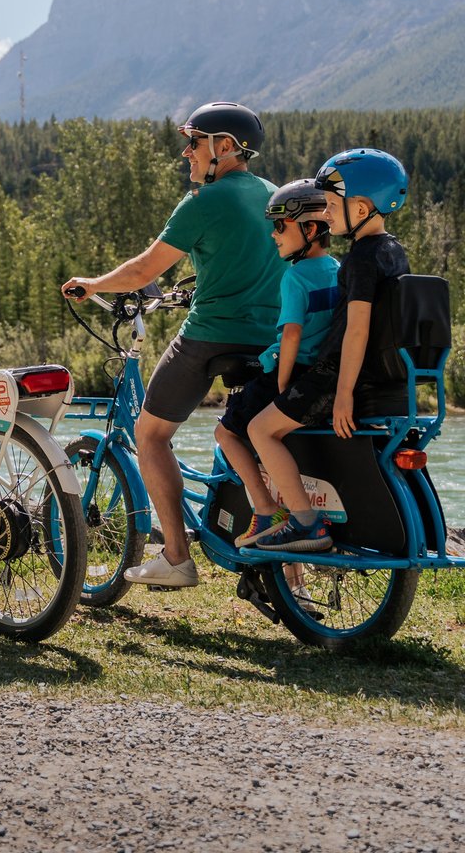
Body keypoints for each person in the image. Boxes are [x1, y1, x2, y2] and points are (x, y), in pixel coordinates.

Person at [62, 101, 285, 588]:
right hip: (270, 340)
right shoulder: (273, 195)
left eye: (194, 142)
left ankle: (177, 556)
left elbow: (145, 271)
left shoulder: (204, 202)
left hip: (212, 334)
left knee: (151, 434)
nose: (186, 153)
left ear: (224, 147)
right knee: (251, 436)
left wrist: (95, 284)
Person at [247, 148, 410, 553]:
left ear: (360, 207)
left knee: (259, 430)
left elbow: (357, 330)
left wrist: (341, 396)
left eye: (332, 207)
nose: (326, 215)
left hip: (334, 376)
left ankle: (305, 523)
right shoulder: (391, 250)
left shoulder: (359, 259)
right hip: (386, 375)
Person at [213, 179, 340, 548]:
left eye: (280, 226)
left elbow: (291, 337)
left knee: (229, 432)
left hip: (293, 372)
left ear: (311, 229)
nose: (273, 235)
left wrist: (282, 385)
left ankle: (272, 509)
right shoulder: (337, 269)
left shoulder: (296, 277)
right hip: (324, 375)